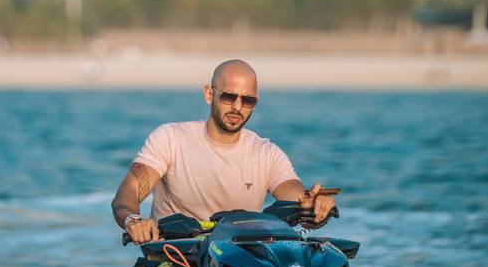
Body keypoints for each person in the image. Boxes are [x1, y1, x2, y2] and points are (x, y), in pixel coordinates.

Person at [112, 59, 336, 244]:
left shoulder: (267, 154)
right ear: (209, 95)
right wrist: (133, 220)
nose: (237, 107)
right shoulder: (170, 138)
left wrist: (314, 206)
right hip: (174, 259)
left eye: (247, 100)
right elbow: (129, 191)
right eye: (229, 97)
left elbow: (297, 199)